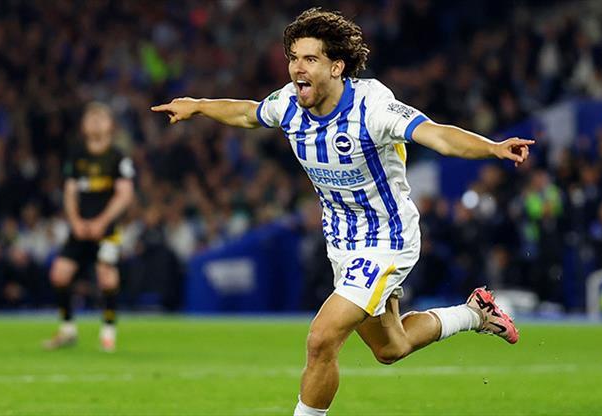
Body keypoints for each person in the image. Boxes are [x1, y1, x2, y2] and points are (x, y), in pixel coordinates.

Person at [152, 8, 532, 415]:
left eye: (310, 59)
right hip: (343, 243)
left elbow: (436, 135)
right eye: (293, 58)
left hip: (387, 238)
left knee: (321, 338)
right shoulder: (288, 103)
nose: (297, 68)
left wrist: (492, 147)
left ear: (336, 67)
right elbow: (248, 113)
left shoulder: (374, 108)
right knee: (391, 347)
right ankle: (474, 314)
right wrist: (197, 105)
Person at [43, 103, 135, 353]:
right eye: (90, 116)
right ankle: (67, 329)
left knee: (106, 275)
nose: (95, 120)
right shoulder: (77, 155)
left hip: (106, 229)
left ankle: (108, 332)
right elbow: (70, 192)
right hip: (80, 227)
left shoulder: (118, 157)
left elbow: (125, 194)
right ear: (83, 125)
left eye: (101, 116)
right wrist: (75, 222)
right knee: (59, 274)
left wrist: (102, 222)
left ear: (111, 125)